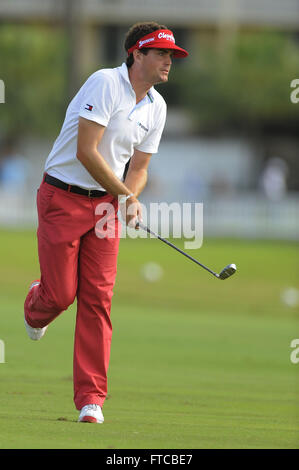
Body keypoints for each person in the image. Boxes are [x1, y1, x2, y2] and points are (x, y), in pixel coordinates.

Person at [24, 21, 188, 424]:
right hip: (62, 196)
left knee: (97, 298)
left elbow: (141, 166)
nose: (169, 61)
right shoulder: (104, 83)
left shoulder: (158, 107)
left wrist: (129, 197)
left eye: (172, 55)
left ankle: (91, 399)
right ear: (137, 54)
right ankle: (35, 307)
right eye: (162, 53)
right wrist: (125, 196)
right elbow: (86, 151)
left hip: (105, 207)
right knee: (60, 295)